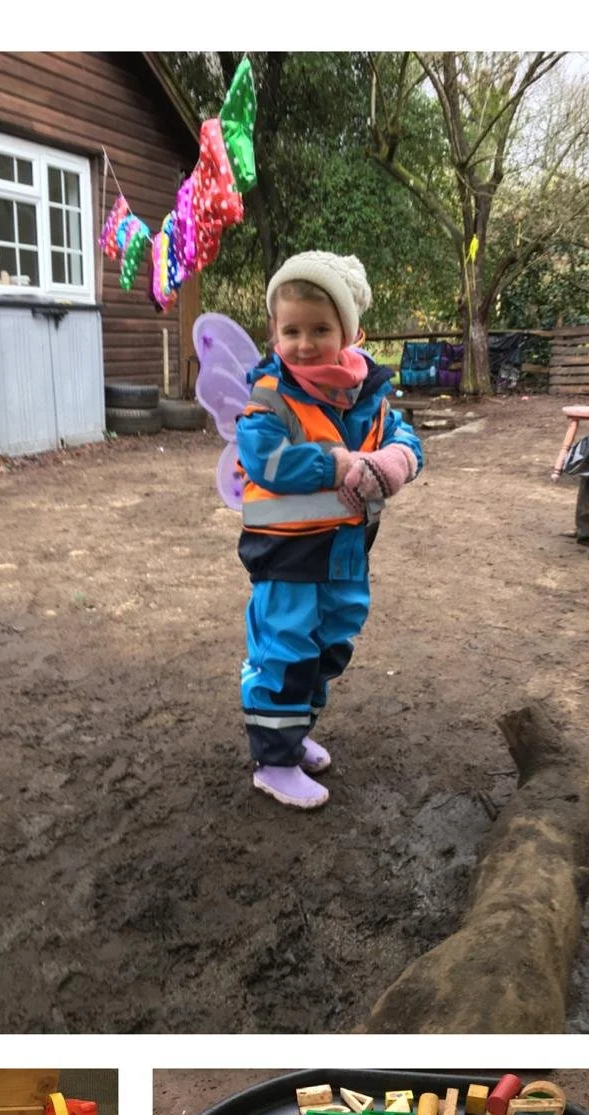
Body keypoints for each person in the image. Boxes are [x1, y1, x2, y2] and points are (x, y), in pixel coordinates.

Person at [233, 252, 423, 808]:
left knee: (331, 642)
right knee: (286, 648)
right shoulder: (269, 396)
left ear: (350, 332)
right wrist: (337, 465)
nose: (304, 343)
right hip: (286, 551)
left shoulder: (368, 394)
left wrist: (396, 463)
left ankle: (295, 732)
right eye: (291, 330)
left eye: (320, 329)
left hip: (344, 548)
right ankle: (273, 759)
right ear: (274, 332)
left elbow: (405, 439)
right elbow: (267, 460)